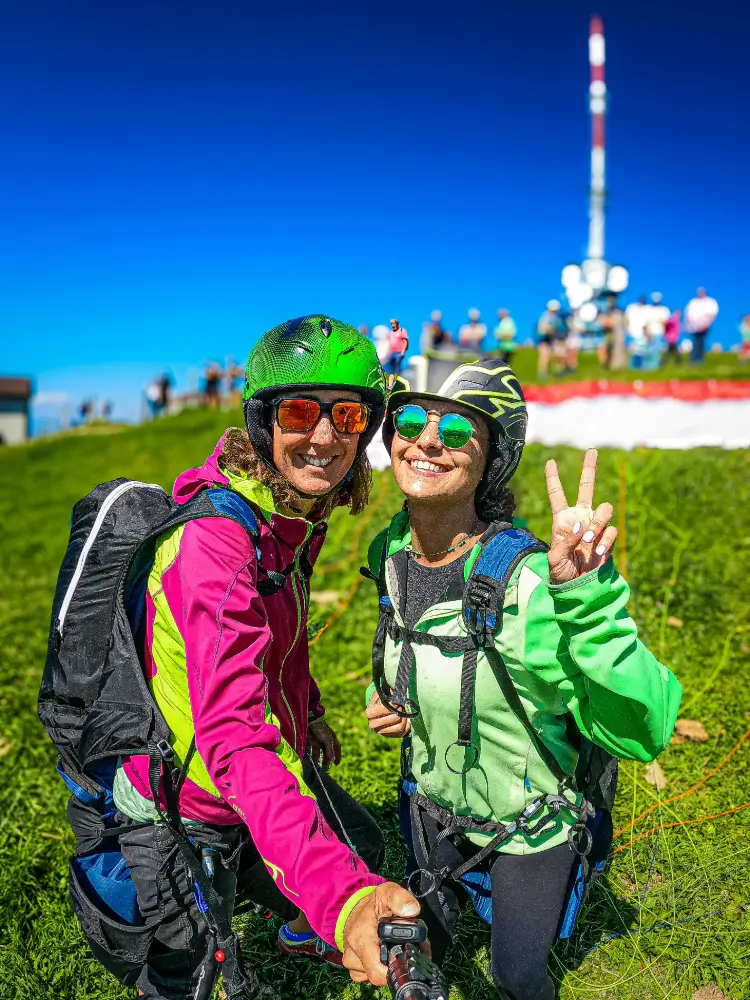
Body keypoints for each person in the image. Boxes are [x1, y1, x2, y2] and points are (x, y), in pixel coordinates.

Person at [68, 316, 419, 999]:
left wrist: (309, 713)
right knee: (192, 971)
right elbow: (231, 740)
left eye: (348, 415)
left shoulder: (284, 518)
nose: (324, 437)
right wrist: (346, 900)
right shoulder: (219, 545)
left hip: (256, 767)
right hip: (190, 798)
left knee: (365, 842)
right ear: (262, 421)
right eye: (299, 412)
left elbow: (282, 641)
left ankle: (294, 921)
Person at [364, 361, 682, 1000]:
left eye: (458, 430)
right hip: (429, 810)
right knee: (421, 949)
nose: (428, 440)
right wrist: (391, 693)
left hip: (529, 826)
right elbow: (412, 652)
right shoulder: (390, 555)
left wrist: (587, 602)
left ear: (492, 461)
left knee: (516, 977)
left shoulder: (530, 586)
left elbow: (643, 731)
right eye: (411, 420)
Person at [684, 287, 719, 364]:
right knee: (695, 342)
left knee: (701, 342)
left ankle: (699, 359)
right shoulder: (693, 302)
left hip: (704, 326)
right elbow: (688, 314)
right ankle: (693, 360)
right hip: (693, 327)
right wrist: (689, 324)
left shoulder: (710, 302)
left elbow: (712, 314)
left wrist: (706, 324)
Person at [536, 300, 565, 379]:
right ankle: (542, 374)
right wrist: (549, 330)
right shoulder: (544, 317)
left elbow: (560, 328)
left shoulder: (557, 318)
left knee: (559, 355)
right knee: (544, 356)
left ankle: (559, 373)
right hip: (544, 339)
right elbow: (541, 329)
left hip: (554, 339)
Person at [625, 295, 650, 369]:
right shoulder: (631, 308)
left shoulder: (647, 309)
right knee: (632, 351)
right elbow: (626, 319)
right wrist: (626, 329)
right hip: (632, 333)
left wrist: (647, 333)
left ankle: (642, 367)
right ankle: (631, 367)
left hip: (642, 334)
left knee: (641, 351)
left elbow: (647, 323)